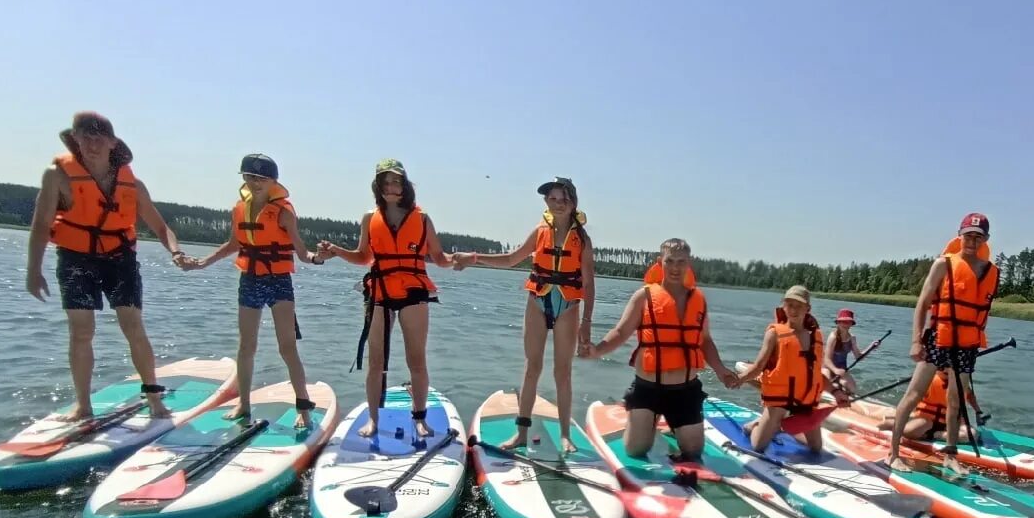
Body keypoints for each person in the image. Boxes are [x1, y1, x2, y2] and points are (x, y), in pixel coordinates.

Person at [24, 111, 189, 420]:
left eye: (99, 138)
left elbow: (160, 226)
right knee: (81, 330)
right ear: (75, 139)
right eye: (85, 137)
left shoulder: (133, 185)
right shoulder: (57, 176)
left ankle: (155, 400)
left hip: (119, 258)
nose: (92, 144)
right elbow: (41, 225)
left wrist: (176, 252)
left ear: (113, 143)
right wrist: (33, 270)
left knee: (132, 325)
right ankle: (83, 406)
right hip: (76, 258)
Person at [179, 154, 324, 429]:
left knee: (287, 347)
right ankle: (243, 404)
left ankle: (303, 407)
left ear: (273, 181)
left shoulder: (284, 212)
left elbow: (302, 252)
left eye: (261, 178)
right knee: (246, 345)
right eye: (250, 177)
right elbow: (234, 243)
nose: (255, 182)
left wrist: (318, 257)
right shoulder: (239, 209)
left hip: (279, 280)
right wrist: (202, 263)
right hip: (250, 279)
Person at [453, 176, 594, 452]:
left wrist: (587, 322)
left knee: (562, 372)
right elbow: (510, 259)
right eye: (552, 199)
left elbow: (588, 282)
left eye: (563, 199)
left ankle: (566, 435)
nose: (558, 204)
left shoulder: (582, 240)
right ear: (546, 202)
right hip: (538, 301)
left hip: (568, 305)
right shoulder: (539, 232)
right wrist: (474, 258)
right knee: (532, 367)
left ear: (573, 202)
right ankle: (521, 433)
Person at [317, 159, 455, 441]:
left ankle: (419, 418)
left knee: (416, 359)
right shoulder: (370, 218)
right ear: (378, 186)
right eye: (386, 182)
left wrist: (463, 260)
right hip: (379, 291)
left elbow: (440, 258)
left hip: (413, 292)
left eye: (396, 181)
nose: (391, 187)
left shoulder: (423, 218)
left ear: (405, 186)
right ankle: (373, 419)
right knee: (375, 361)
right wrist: (337, 251)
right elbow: (363, 257)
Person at [584, 237, 741, 459]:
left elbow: (704, 340)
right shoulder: (644, 296)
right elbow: (621, 332)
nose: (675, 267)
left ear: (689, 263)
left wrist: (721, 370)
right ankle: (640, 418)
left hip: (685, 390)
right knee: (636, 450)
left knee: (693, 451)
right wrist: (597, 350)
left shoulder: (698, 300)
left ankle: (672, 424)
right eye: (670, 261)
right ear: (660, 262)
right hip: (648, 387)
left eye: (681, 262)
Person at [885, 212, 999, 465]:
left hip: (967, 343)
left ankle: (950, 455)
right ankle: (892, 454)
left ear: (986, 240)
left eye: (978, 237)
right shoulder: (943, 264)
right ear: (959, 236)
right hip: (939, 337)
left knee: (955, 401)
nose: (972, 241)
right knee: (913, 394)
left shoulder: (991, 272)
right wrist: (916, 340)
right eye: (968, 235)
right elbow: (923, 303)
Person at [734, 285, 828, 453]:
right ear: (783, 306)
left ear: (808, 308)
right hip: (779, 400)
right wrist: (739, 379)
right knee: (758, 446)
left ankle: (780, 427)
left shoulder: (816, 336)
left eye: (799, 306)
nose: (793, 310)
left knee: (816, 448)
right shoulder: (774, 333)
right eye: (790, 305)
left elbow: (817, 373)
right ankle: (756, 425)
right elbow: (758, 366)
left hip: (805, 400)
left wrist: (838, 392)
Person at [823, 307, 865, 396]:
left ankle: (840, 387)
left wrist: (872, 347)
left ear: (851, 324)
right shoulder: (833, 337)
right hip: (828, 367)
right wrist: (835, 370)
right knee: (826, 386)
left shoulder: (852, 338)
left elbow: (858, 357)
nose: (845, 324)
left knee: (852, 389)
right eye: (843, 321)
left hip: (842, 369)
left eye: (848, 322)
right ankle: (837, 387)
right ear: (838, 323)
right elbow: (827, 359)